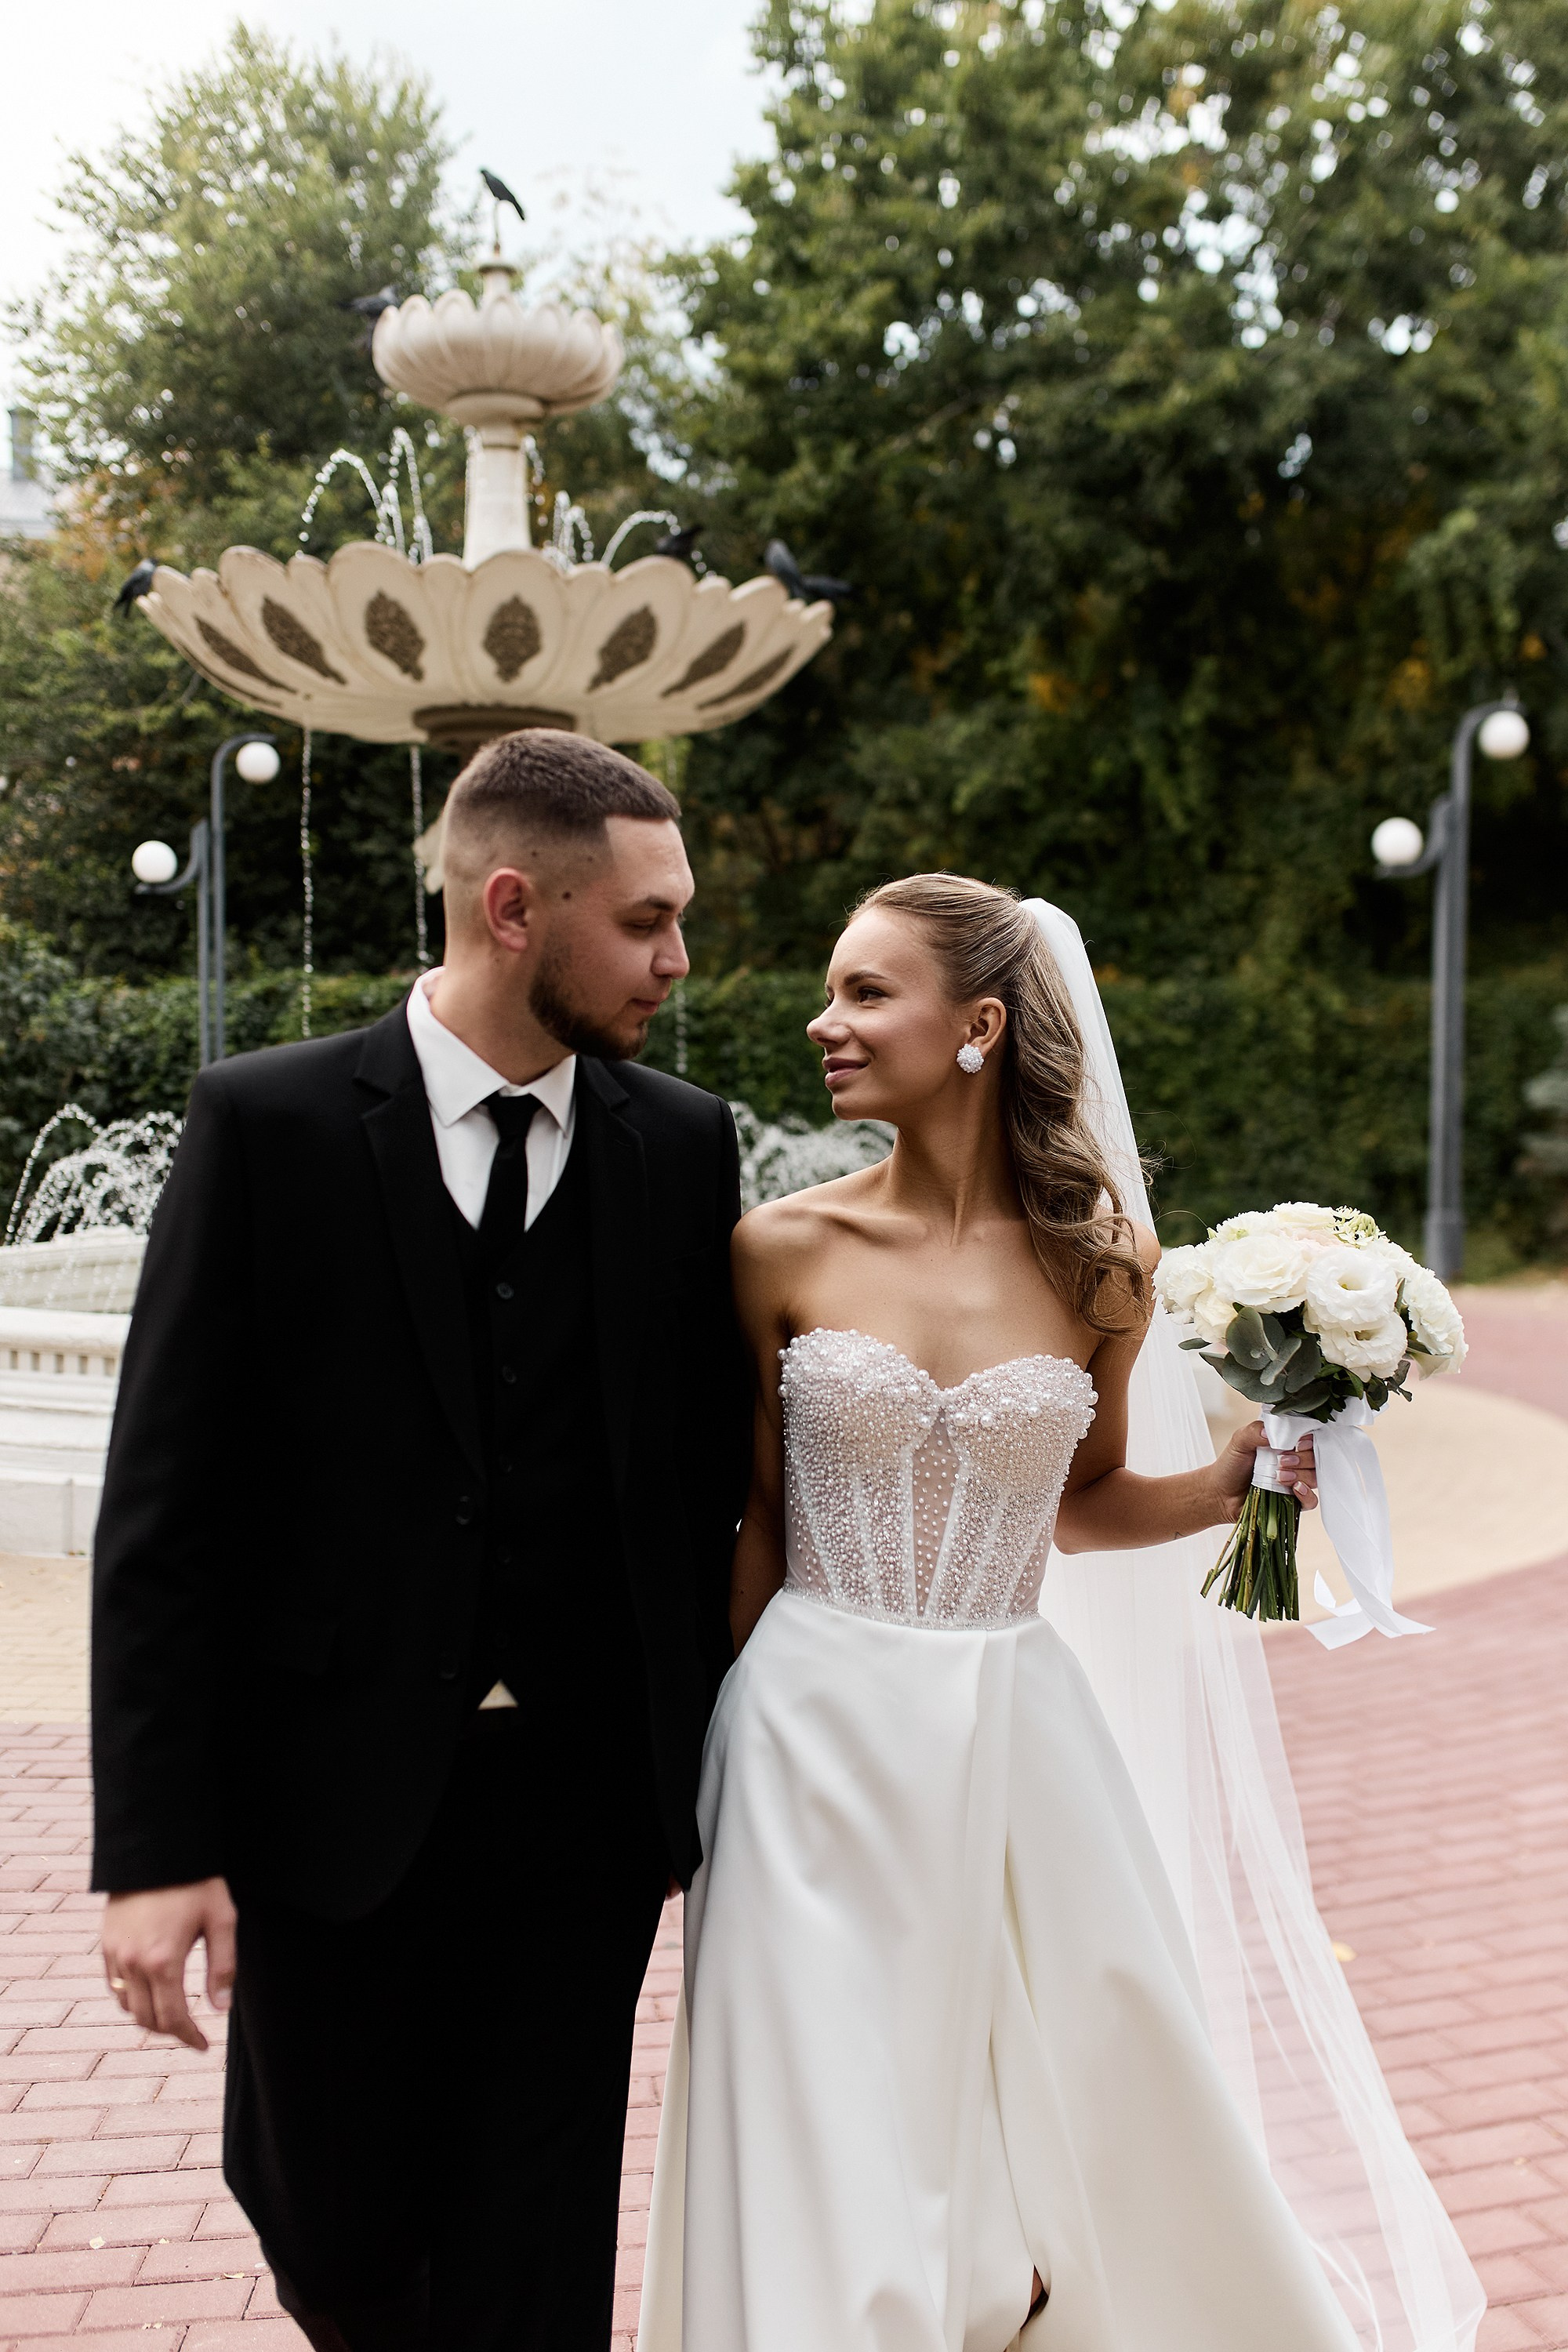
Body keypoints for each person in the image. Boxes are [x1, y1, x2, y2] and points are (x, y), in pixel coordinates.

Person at [639, 875, 1483, 2352]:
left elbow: (1080, 1503)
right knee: (826, 2116)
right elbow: (760, 1523)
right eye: (834, 991)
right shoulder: (778, 1247)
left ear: (977, 1025)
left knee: (1082, 2089)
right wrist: (690, 1766)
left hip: (1016, 1729)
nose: (823, 1021)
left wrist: (1234, 1479)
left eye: (863, 991)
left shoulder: (1106, 1269)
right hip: (807, 1738)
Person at [92, 730, 750, 2352]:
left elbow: (713, 1492)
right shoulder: (270, 1124)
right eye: (648, 920)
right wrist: (157, 1846)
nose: (678, 959)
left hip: (584, 1818)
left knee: (534, 2247)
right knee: (324, 2221)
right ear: (514, 905)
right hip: (327, 1800)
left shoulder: (682, 1145)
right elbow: (163, 1509)